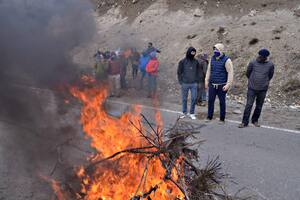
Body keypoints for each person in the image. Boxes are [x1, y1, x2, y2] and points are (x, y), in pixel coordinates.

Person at [239, 49, 274, 128]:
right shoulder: (253, 62)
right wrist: (252, 80)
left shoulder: (270, 65)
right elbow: (248, 73)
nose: (260, 58)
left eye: (262, 57)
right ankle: (244, 122)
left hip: (263, 89)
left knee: (259, 106)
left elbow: (270, 75)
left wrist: (265, 81)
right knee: (249, 105)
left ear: (266, 57)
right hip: (252, 88)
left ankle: (255, 120)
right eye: (260, 56)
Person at [205, 43, 234, 123]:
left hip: (222, 85)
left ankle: (222, 119)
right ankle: (209, 117)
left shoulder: (227, 60)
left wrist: (228, 84)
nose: (215, 51)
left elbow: (230, 73)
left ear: (221, 50)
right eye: (214, 49)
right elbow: (208, 70)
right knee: (210, 101)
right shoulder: (212, 59)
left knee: (222, 102)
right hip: (212, 84)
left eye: (217, 49)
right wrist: (206, 81)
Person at [177, 47, 200, 120]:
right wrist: (181, 81)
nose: (193, 54)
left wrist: (197, 81)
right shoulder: (182, 62)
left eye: (194, 53)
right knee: (184, 99)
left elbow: (198, 72)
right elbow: (179, 72)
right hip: (185, 83)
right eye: (192, 52)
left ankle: (192, 113)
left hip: (194, 84)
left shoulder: (196, 62)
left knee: (193, 98)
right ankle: (184, 112)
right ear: (189, 52)